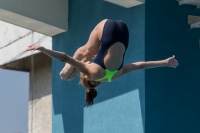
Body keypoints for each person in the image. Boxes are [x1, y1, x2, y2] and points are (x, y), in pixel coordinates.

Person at [27, 19, 179, 106]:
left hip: (124, 31)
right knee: (85, 52)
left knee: (90, 53)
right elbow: (65, 56)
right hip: (108, 29)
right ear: (86, 77)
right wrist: (43, 49)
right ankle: (67, 72)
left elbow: (140, 65)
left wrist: (165, 62)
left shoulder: (114, 76)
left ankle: (68, 73)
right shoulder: (90, 71)